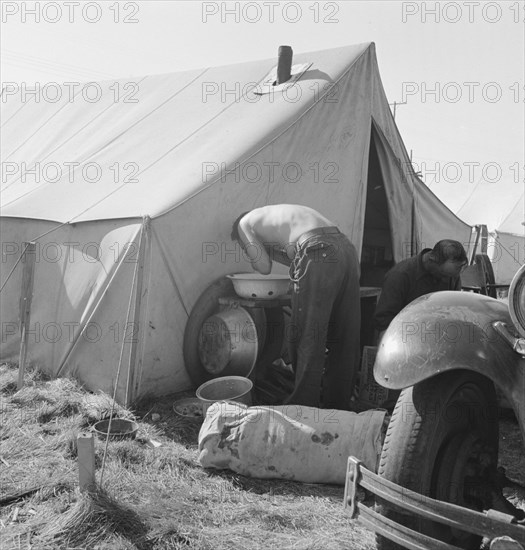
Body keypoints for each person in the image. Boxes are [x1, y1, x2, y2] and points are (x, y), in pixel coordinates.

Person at [231, 204, 361, 410]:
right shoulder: (275, 217)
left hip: (319, 250)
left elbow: (263, 268)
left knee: (308, 335)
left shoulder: (243, 224)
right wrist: (271, 251)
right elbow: (295, 257)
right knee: (344, 336)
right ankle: (339, 407)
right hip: (346, 250)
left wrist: (254, 255)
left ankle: (302, 407)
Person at [373, 239, 468, 336]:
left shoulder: (451, 275)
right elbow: (384, 320)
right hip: (402, 336)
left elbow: (453, 311)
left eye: (451, 276)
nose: (448, 279)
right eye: (443, 275)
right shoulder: (399, 276)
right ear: (432, 260)